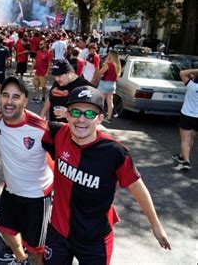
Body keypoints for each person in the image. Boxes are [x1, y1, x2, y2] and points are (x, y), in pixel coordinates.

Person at [41, 86, 171, 265]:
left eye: (89, 114)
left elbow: (137, 186)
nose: (81, 119)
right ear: (67, 115)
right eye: (76, 112)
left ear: (100, 118)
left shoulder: (115, 152)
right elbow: (25, 121)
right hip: (58, 232)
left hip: (95, 240)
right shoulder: (57, 133)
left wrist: (156, 225)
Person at [0, 77, 54, 265]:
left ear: (25, 101)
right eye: (5, 95)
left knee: (38, 249)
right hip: (11, 189)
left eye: (16, 97)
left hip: (37, 196)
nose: (9, 102)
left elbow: (63, 155)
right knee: (5, 229)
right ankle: (20, 258)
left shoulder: (40, 128)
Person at [172, 68, 198, 171]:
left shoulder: (191, 86)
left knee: (185, 139)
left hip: (187, 115)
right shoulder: (192, 84)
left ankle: (186, 162)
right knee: (191, 138)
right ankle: (182, 156)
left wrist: (196, 70)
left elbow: (182, 73)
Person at [93, 49, 121, 123]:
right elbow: (117, 76)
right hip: (112, 84)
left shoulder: (108, 64)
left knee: (101, 101)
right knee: (110, 101)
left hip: (105, 83)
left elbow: (100, 72)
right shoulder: (118, 65)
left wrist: (100, 67)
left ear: (110, 56)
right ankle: (109, 118)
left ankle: (99, 116)